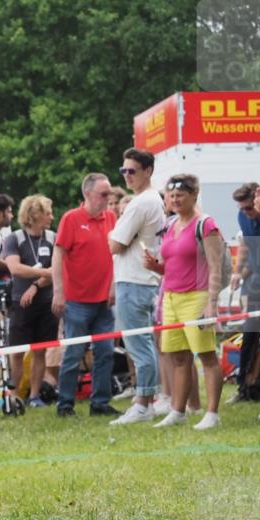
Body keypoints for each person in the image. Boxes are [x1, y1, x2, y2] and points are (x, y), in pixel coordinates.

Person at [144, 174, 225, 430]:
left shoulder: (206, 225)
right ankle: (178, 411)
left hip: (197, 297)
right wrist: (155, 267)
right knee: (178, 357)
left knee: (207, 356)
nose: (175, 199)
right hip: (171, 297)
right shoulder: (170, 225)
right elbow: (170, 266)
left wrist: (211, 303)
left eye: (180, 195)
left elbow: (215, 267)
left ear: (194, 195)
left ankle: (212, 413)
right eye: (171, 195)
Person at [52, 173, 119, 418]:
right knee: (73, 353)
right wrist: (58, 291)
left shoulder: (111, 217)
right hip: (76, 300)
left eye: (109, 193)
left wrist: (113, 286)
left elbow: (115, 255)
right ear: (88, 194)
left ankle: (100, 402)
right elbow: (58, 254)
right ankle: (65, 404)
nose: (108, 198)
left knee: (106, 352)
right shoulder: (71, 218)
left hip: (103, 300)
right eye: (104, 194)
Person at [107, 148, 166, 426]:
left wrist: (115, 235)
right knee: (143, 345)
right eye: (124, 171)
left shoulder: (141, 203)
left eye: (132, 171)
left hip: (134, 281)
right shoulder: (153, 200)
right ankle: (146, 400)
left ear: (148, 171)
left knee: (139, 346)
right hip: (141, 280)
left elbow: (115, 245)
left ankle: (144, 404)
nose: (127, 176)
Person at [2, 195, 57, 407]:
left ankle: (34, 396)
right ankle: (15, 396)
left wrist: (35, 284)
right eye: (47, 213)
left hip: (46, 302)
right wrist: (45, 273)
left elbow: (58, 269)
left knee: (40, 350)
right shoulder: (14, 239)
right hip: (20, 302)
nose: (52, 217)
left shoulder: (53, 237)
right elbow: (15, 268)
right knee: (16, 351)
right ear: (34, 215)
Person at [230, 182, 260, 402]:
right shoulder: (243, 217)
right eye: (241, 208)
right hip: (256, 281)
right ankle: (243, 386)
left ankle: (258, 382)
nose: (245, 213)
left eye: (249, 208)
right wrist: (238, 273)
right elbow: (246, 246)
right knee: (250, 332)